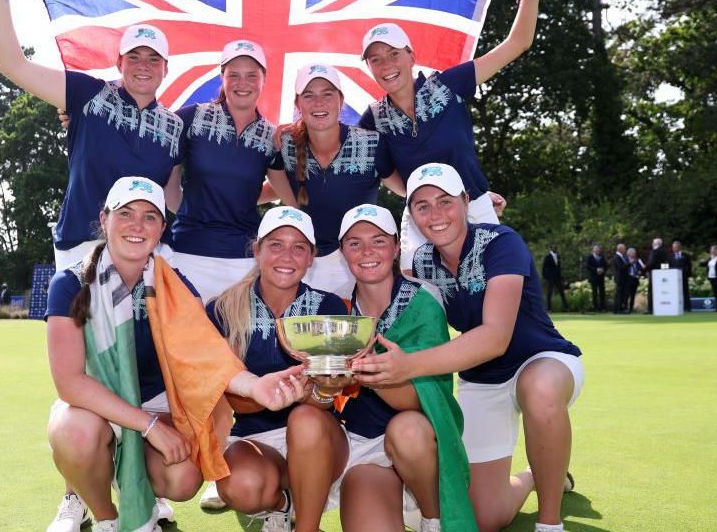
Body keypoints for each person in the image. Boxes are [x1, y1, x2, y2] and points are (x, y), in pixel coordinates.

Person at [45, 177, 306, 532]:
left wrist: (256, 387)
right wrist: (148, 426)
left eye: (150, 217)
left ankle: (146, 495)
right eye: (126, 213)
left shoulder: (177, 287)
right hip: (94, 407)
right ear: (104, 219)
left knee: (183, 478)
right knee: (75, 433)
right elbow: (71, 385)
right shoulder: (71, 284)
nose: (138, 225)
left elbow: (206, 359)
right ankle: (106, 516)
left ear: (162, 229)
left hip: (157, 403)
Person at [354, 163, 583, 532]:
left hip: (542, 360)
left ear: (465, 202)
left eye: (445, 201)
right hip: (481, 381)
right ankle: (534, 475)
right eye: (422, 206)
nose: (435, 214)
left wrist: (407, 366)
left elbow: (496, 338)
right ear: (411, 215)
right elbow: (382, 276)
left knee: (537, 390)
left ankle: (549, 522)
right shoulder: (423, 262)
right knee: (485, 517)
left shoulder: (500, 241)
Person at [0, 0, 184, 271]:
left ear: (165, 69)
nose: (143, 66)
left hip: (145, 251)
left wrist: (237, 202)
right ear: (119, 63)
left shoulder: (174, 126)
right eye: (134, 57)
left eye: (153, 58)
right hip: (84, 246)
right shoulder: (87, 94)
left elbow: (172, 197)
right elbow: (12, 65)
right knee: (76, 322)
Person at [358, 0, 542, 270]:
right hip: (420, 217)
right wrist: (426, 193)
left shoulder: (448, 85)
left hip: (476, 206)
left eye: (393, 53)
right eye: (375, 59)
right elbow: (384, 174)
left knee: (498, 293)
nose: (386, 64)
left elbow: (518, 43)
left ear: (411, 56)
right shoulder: (373, 119)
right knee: (418, 299)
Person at [206, 206, 349, 532]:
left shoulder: (327, 307)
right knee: (241, 486)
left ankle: (306, 527)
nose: (287, 255)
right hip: (255, 436)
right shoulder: (223, 309)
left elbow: (326, 400)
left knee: (305, 419)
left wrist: (321, 391)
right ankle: (284, 505)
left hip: (319, 437)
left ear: (311, 257)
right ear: (257, 250)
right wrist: (268, 394)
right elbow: (230, 396)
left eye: (299, 247)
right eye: (275, 244)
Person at [337, 204, 473, 532]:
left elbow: (423, 398)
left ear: (397, 247)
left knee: (407, 430)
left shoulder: (425, 301)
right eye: (354, 243)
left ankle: (431, 516)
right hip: (365, 444)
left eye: (379, 241)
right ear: (342, 252)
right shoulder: (337, 307)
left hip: (421, 444)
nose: (367, 251)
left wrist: (365, 371)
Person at [168, 40, 297, 303]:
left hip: (244, 261)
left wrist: (297, 144)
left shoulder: (270, 136)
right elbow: (151, 137)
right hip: (187, 253)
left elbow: (292, 197)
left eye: (252, 76)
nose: (242, 83)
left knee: (237, 342)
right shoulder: (191, 118)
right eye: (234, 75)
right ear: (222, 77)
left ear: (264, 80)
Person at [275, 64, 403, 298]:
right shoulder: (285, 144)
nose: (319, 102)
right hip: (307, 264)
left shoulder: (371, 143)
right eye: (309, 95)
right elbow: (273, 185)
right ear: (298, 104)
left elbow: (405, 189)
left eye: (327, 94)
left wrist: (463, 195)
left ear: (340, 101)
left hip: (361, 263)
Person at [645, 238, 669, 314]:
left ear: (656, 244)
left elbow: (651, 263)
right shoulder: (665, 252)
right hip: (662, 273)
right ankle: (662, 307)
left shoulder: (654, 252)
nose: (652, 245)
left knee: (651, 291)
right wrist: (664, 271)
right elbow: (666, 262)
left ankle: (650, 309)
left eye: (653, 243)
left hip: (654, 273)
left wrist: (644, 268)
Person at [541, 245, 567, 312]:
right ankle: (549, 308)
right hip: (550, 277)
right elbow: (544, 267)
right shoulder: (548, 257)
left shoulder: (558, 256)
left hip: (557, 277)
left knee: (561, 292)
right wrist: (545, 277)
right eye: (554, 247)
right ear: (551, 248)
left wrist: (560, 276)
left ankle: (566, 307)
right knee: (549, 292)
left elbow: (559, 268)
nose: (555, 248)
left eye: (556, 247)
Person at [668, 240, 692, 312]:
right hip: (673, 277)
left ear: (679, 247)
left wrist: (687, 274)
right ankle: (674, 307)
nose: (674, 249)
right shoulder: (670, 256)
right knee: (674, 292)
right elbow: (668, 266)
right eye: (673, 247)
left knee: (685, 292)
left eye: (675, 247)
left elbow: (689, 266)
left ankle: (687, 308)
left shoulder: (686, 255)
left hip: (683, 276)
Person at [586, 245, 607, 312]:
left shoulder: (602, 257)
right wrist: (596, 270)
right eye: (596, 250)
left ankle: (602, 307)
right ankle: (596, 307)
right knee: (594, 293)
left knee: (602, 292)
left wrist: (603, 269)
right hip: (594, 277)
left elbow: (606, 265)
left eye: (598, 250)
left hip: (601, 277)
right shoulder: (590, 257)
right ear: (593, 250)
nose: (598, 251)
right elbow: (588, 266)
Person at [625, 248, 645, 314]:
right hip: (628, 278)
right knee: (627, 294)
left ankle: (631, 308)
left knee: (633, 294)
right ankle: (625, 308)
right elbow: (624, 268)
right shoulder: (625, 259)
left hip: (635, 278)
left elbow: (641, 268)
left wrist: (639, 272)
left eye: (635, 253)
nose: (634, 254)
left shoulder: (637, 260)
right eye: (633, 253)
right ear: (629, 253)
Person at [612, 243, 628, 314]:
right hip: (620, 278)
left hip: (622, 278)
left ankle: (617, 309)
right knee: (619, 294)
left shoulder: (621, 256)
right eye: (624, 248)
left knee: (620, 294)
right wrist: (629, 264)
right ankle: (618, 309)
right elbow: (621, 267)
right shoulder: (617, 257)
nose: (625, 250)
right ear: (620, 249)